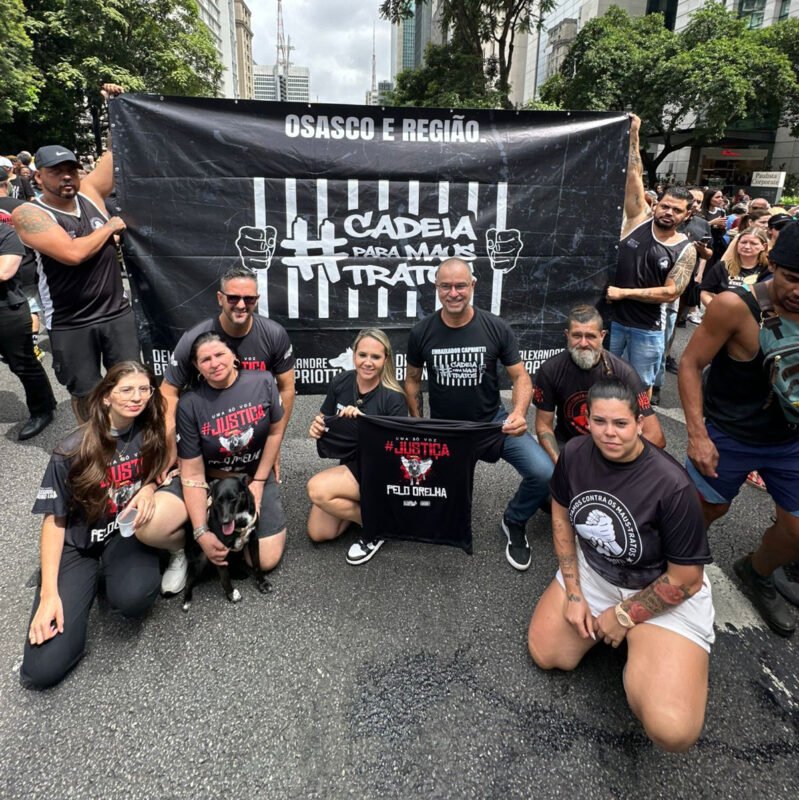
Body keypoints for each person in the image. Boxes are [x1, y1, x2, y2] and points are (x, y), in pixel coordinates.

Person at [528, 378, 714, 752]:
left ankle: (646, 651)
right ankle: (629, 643)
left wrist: (624, 616)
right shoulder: (575, 453)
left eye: (620, 423)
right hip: (596, 572)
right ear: (587, 420)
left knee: (672, 729)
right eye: (599, 421)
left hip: (658, 584)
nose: (609, 433)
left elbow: (686, 580)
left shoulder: (672, 485)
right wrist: (574, 592)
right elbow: (561, 515)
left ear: (640, 424)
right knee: (548, 654)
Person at [20, 362, 188, 689]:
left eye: (144, 389)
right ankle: (66, 582)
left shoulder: (152, 432)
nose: (137, 397)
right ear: (107, 396)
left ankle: (111, 577)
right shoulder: (72, 449)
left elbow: (161, 472)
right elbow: (54, 521)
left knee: (134, 599)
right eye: (127, 390)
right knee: (42, 671)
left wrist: (149, 488)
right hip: (78, 544)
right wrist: (49, 594)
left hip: (123, 535)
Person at [678, 222, 799, 636]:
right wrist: (697, 435)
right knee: (704, 510)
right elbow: (691, 364)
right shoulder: (734, 306)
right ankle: (672, 567)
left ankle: (756, 571)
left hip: (789, 440)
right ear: (772, 264)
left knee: (796, 532)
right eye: (792, 278)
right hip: (729, 433)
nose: (798, 290)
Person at [405, 257, 554, 571]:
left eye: (460, 285)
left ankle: (514, 520)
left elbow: (521, 377)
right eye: (446, 286)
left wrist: (519, 413)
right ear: (436, 288)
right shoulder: (421, 332)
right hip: (447, 432)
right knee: (439, 500)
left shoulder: (495, 327)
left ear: (473, 285)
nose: (453, 293)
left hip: (492, 425)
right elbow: (413, 379)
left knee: (544, 473)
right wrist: (418, 423)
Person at [160, 265, 295, 590]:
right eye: (233, 297)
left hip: (249, 460)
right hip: (204, 453)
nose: (241, 304)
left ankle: (221, 532)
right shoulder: (195, 340)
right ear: (219, 298)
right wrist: (171, 450)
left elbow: (287, 390)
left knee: (264, 559)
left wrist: (272, 452)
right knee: (155, 522)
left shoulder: (272, 336)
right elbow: (168, 392)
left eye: (249, 298)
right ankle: (184, 549)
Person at [11, 84, 139, 423]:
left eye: (71, 168)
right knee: (87, 394)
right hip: (71, 321)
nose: (66, 176)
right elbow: (71, 254)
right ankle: (94, 444)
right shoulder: (29, 213)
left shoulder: (91, 192)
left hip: (115, 312)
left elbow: (115, 152)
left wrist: (115, 108)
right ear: (38, 177)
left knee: (130, 386)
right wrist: (110, 227)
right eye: (56, 171)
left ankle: (129, 443)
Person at [177, 332, 288, 576]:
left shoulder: (263, 381)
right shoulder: (189, 403)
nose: (214, 363)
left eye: (220, 354)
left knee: (265, 559)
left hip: (253, 473)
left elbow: (275, 432)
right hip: (215, 479)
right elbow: (193, 473)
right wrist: (201, 532)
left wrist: (259, 481)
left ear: (234, 356)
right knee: (201, 540)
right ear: (196, 366)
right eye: (205, 359)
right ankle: (179, 551)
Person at [606, 116, 696, 392]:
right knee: (604, 378)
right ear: (656, 205)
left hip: (647, 327)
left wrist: (624, 293)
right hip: (612, 321)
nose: (669, 212)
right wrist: (634, 133)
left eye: (677, 210)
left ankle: (639, 420)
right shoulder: (637, 219)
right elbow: (633, 175)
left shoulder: (685, 249)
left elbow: (671, 293)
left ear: (686, 215)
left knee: (639, 385)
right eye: (665, 206)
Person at [307, 328, 408, 563]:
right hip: (351, 462)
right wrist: (317, 427)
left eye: (376, 357)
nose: (368, 362)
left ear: (386, 359)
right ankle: (371, 511)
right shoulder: (342, 381)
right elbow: (324, 417)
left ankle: (379, 525)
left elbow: (399, 453)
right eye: (363, 355)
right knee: (320, 532)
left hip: (380, 471)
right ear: (354, 355)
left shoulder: (393, 397)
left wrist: (366, 424)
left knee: (317, 489)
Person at [533, 304, 664, 461]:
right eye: (577, 336)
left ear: (602, 336)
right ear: (567, 335)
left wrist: (616, 464)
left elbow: (656, 437)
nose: (583, 343)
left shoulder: (623, 372)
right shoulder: (550, 369)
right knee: (541, 471)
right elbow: (543, 426)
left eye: (590, 336)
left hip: (612, 448)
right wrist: (559, 464)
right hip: (568, 446)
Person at [0, 222, 56, 438]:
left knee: (22, 364)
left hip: (7, 310)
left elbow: (4, 271)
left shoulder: (5, 232)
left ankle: (43, 410)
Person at [700, 227, 768, 309]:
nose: (747, 246)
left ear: (763, 246)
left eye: (753, 243)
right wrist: (717, 310)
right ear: (737, 243)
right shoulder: (723, 266)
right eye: (743, 242)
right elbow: (705, 292)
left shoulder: (768, 269)